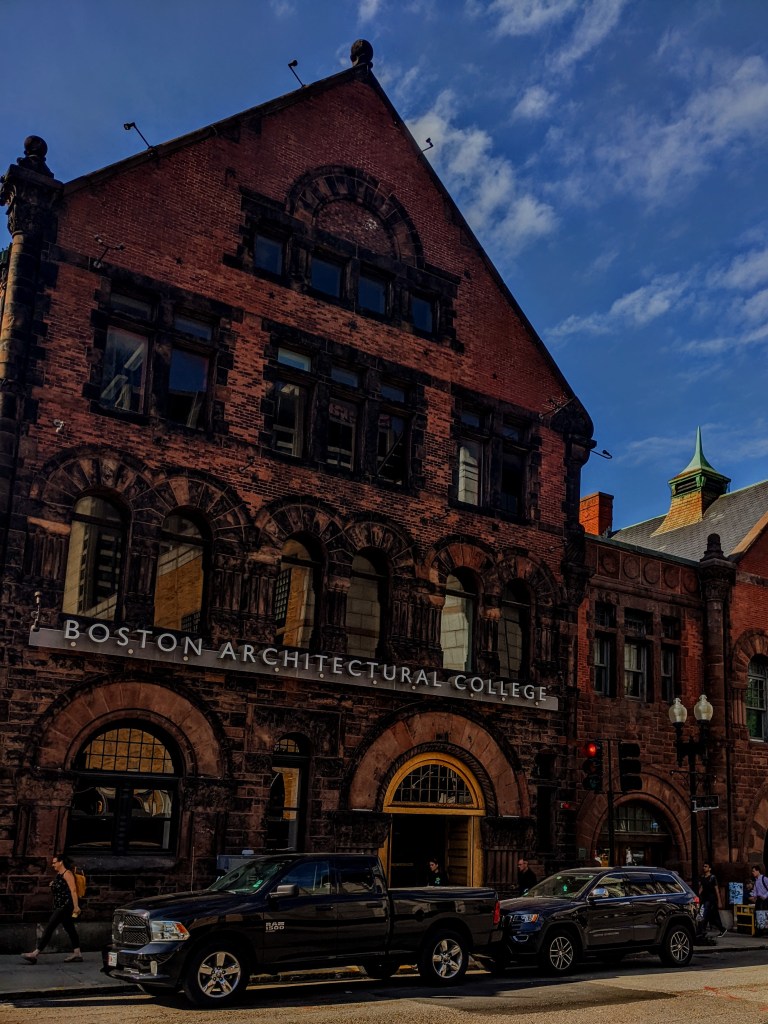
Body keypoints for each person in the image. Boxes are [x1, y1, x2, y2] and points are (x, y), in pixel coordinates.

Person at [21, 853, 82, 963]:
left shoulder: (67, 874)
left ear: (61, 862)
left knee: (50, 927)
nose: (53, 865)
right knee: (70, 929)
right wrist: (53, 884)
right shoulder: (59, 874)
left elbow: (73, 891)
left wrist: (76, 906)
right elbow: (61, 887)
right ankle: (77, 953)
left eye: (54, 862)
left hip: (64, 906)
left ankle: (35, 953)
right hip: (60, 905)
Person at [698, 862, 727, 937]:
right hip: (704, 898)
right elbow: (701, 888)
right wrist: (697, 896)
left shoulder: (712, 877)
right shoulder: (702, 877)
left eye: (706, 866)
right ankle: (721, 929)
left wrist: (719, 901)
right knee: (711, 916)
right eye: (703, 866)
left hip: (711, 899)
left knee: (704, 914)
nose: (704, 868)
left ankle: (702, 930)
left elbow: (716, 890)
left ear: (709, 868)